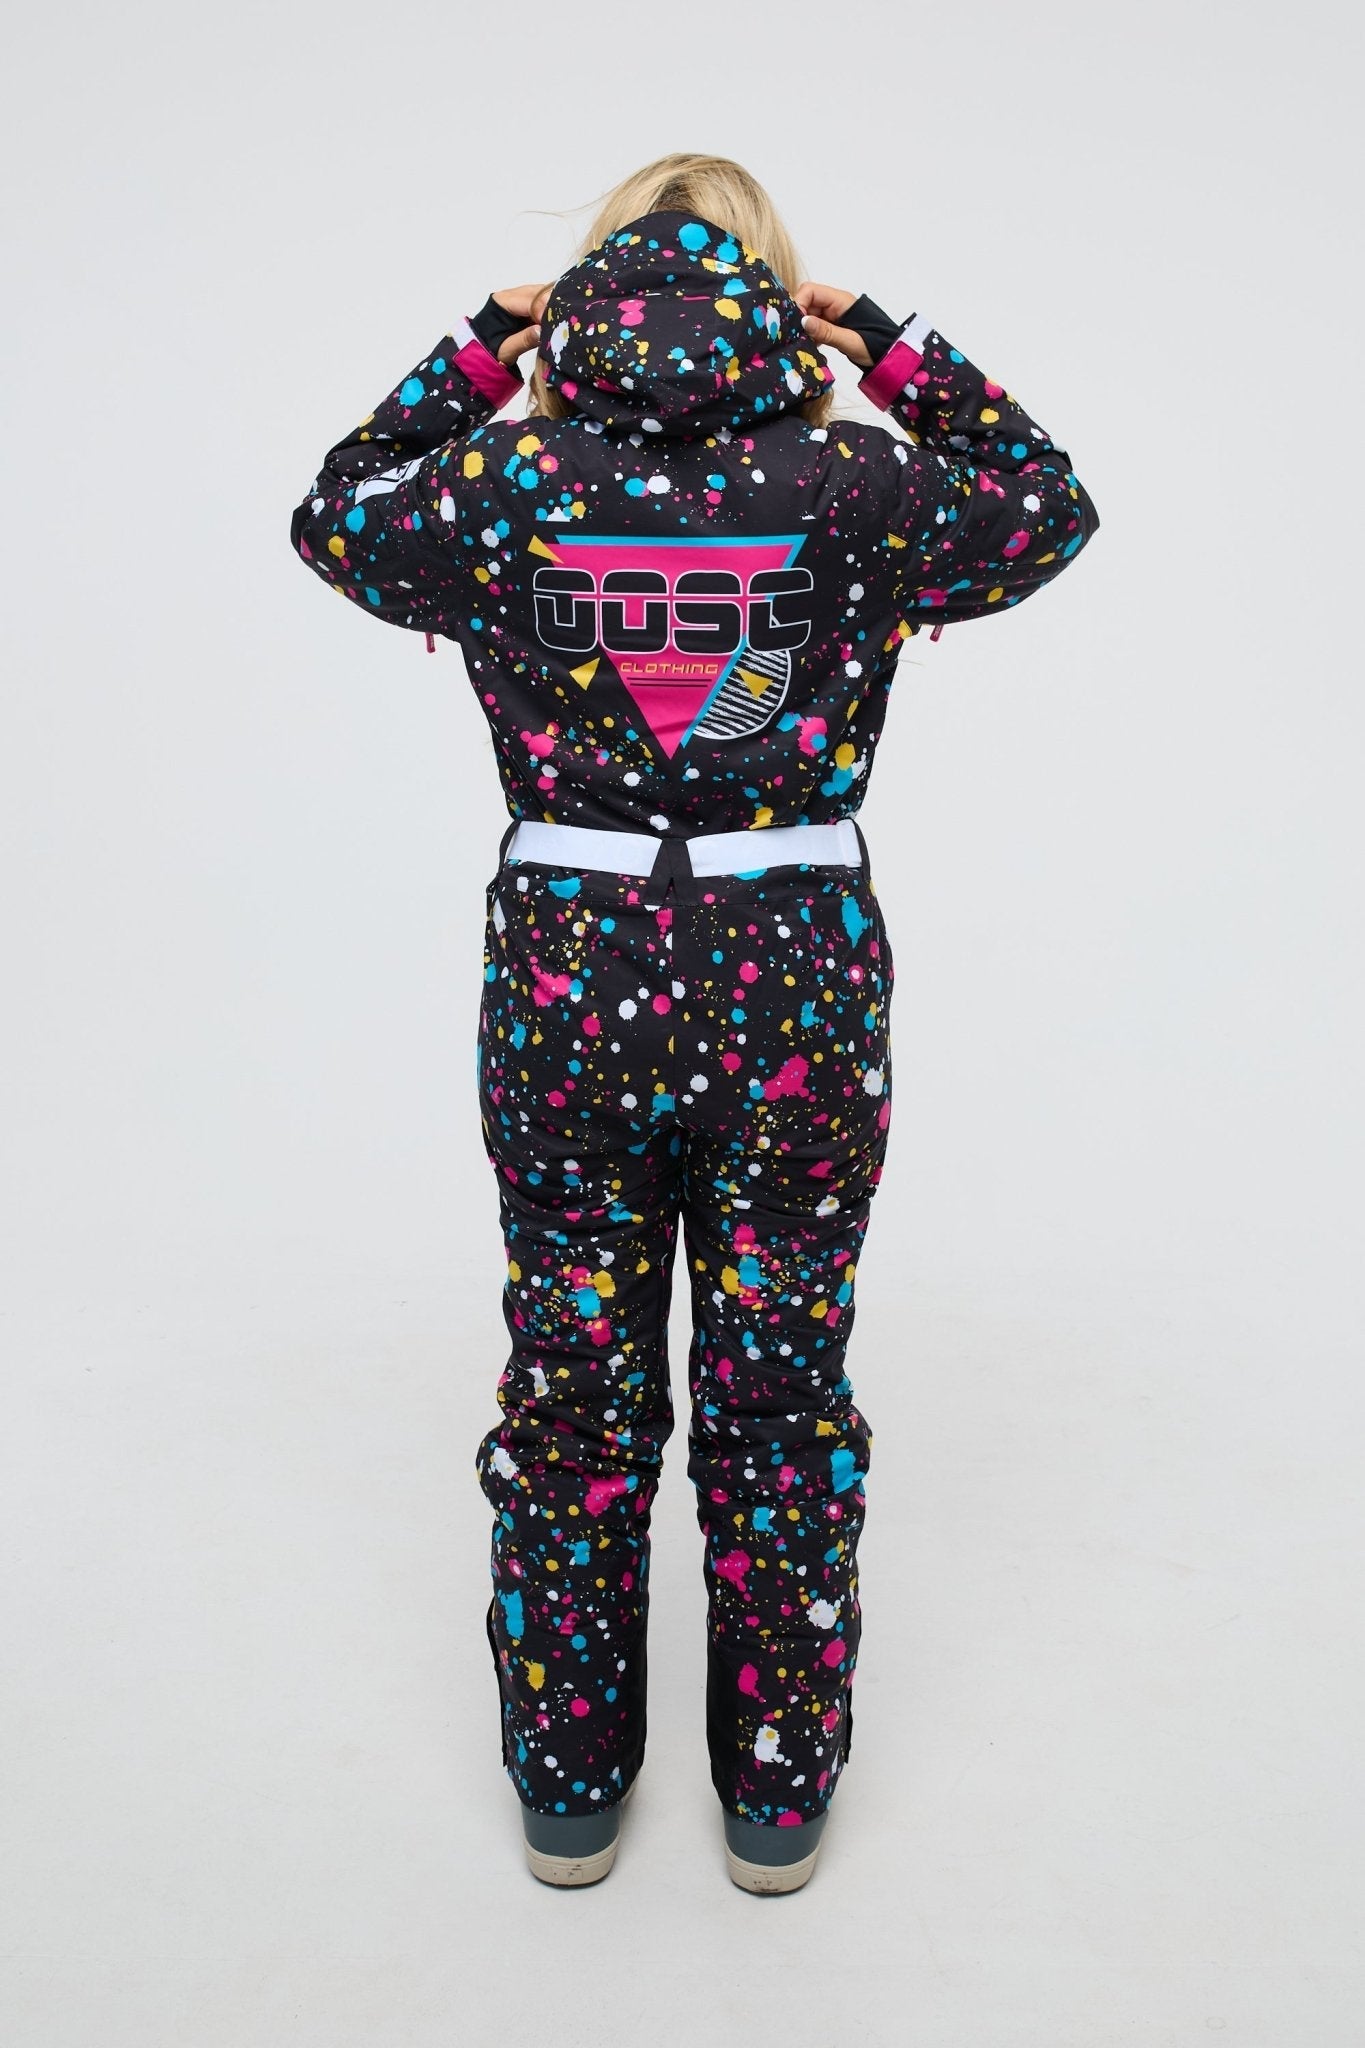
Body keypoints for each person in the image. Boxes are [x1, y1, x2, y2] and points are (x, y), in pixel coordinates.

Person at [288, 151, 1100, 1894]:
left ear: (580, 296)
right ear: (773, 294)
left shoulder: (504, 482)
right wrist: (891, 347)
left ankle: (568, 1795)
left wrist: (479, 345)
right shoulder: (860, 487)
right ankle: (778, 1805)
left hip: (567, 986)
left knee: (574, 1399)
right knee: (781, 1401)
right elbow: (1047, 504)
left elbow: (334, 512)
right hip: (796, 979)